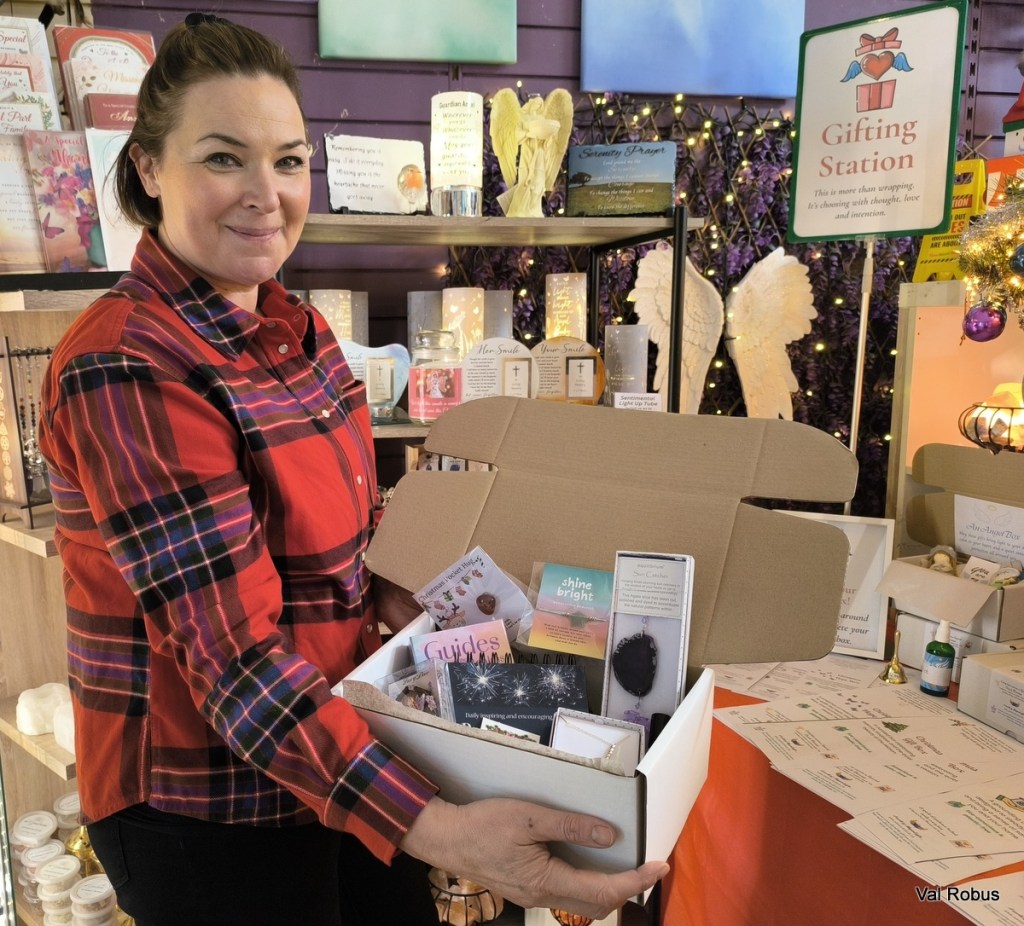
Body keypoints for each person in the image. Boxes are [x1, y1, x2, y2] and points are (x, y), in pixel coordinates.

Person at [37, 14, 668, 926]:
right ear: (147, 169)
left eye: (289, 160)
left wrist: (423, 614)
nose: (266, 193)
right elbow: (234, 664)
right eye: (223, 158)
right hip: (206, 809)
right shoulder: (130, 365)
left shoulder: (302, 333)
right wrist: (446, 831)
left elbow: (351, 546)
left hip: (342, 753)